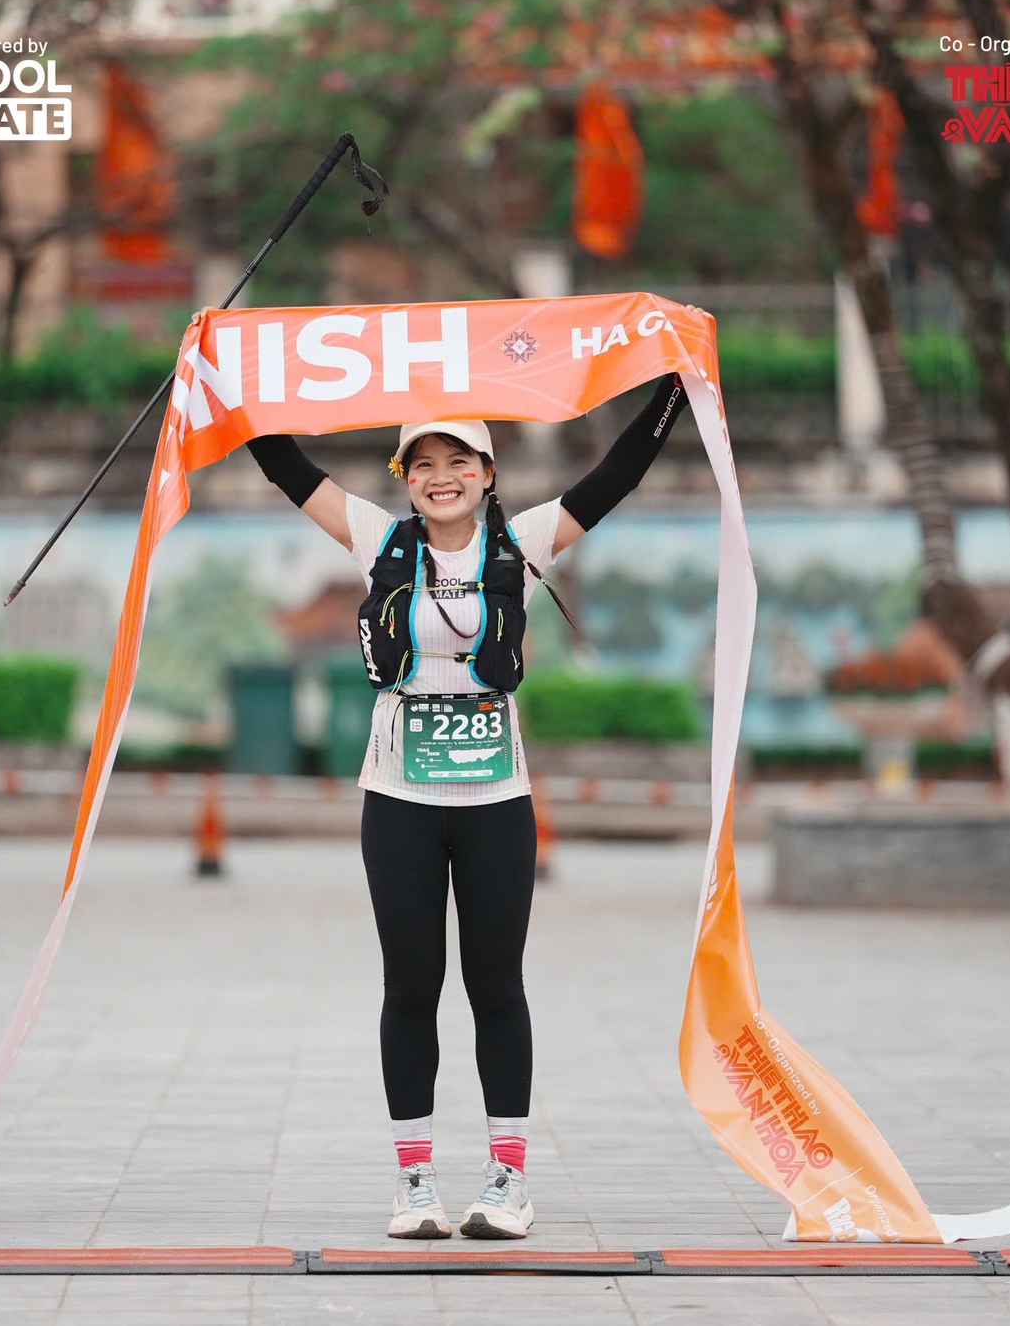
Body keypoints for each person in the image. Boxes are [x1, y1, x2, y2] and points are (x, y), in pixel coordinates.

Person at [244, 376, 686, 1238]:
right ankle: (414, 1183)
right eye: (422, 464)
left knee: (496, 985)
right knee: (411, 986)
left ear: (486, 473)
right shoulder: (378, 538)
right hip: (399, 801)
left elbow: (620, 472)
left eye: (458, 461)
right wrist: (227, 381)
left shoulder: (523, 542)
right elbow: (285, 465)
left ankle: (507, 1180)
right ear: (404, 477)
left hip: (496, 804)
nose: (440, 477)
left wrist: (676, 387)